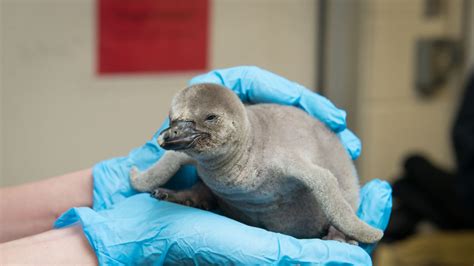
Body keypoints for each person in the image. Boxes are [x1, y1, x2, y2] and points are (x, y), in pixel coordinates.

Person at [0, 66, 392, 265]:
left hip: (311, 213)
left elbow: (320, 177)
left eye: (204, 122)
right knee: (209, 182)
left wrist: (351, 226)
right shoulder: (194, 149)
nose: (180, 134)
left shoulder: (273, 157)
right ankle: (200, 195)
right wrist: (131, 184)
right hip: (236, 204)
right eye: (177, 122)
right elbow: (170, 158)